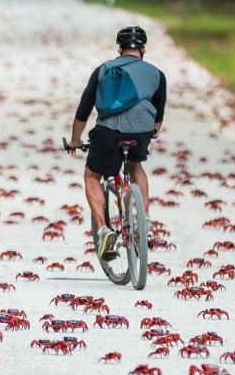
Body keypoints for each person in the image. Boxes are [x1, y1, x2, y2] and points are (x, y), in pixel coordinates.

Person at [67, 25, 166, 259]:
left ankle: (103, 231)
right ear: (143, 49)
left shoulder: (102, 70)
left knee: (92, 175)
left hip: (108, 132)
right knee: (135, 165)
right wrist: (150, 132)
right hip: (140, 132)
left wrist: (74, 140)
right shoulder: (156, 74)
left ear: (119, 48)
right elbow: (158, 119)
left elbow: (84, 110)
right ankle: (147, 221)